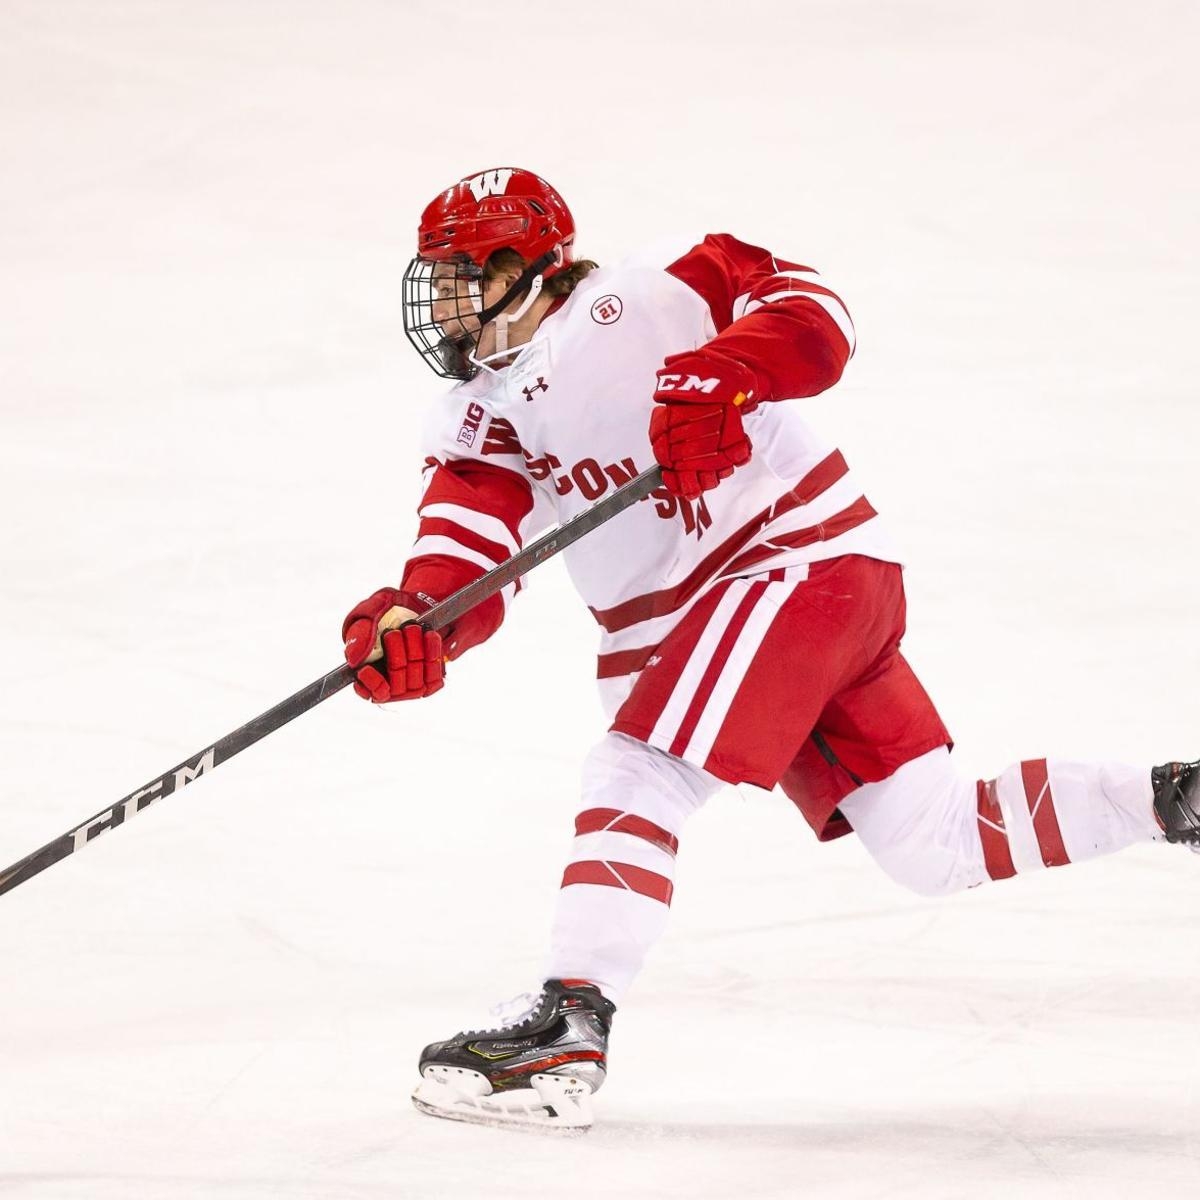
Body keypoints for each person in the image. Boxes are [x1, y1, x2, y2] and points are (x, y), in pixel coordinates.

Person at [340, 166, 1200, 1132]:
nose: (444, 303)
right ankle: (1175, 799)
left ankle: (567, 1028)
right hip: (783, 609)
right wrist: (417, 620)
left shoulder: (654, 293)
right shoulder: (478, 414)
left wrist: (733, 368)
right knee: (935, 843)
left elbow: (810, 308)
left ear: (520, 266)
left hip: (789, 566)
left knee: (639, 770)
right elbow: (466, 540)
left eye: (460, 275)